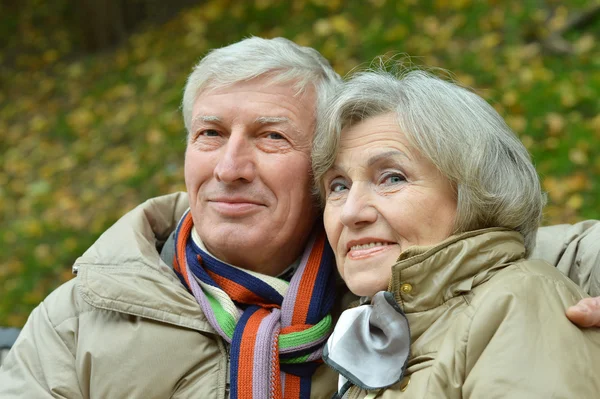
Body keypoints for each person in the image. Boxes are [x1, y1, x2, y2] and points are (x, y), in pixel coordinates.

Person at [0, 37, 599, 398]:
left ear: (314, 174)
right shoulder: (79, 317)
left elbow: (506, 258)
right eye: (209, 134)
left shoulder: (392, 269)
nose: (230, 166)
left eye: (271, 137)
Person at [312, 68, 600, 398]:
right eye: (338, 186)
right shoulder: (350, 326)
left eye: (392, 178)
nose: (350, 212)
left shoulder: (517, 300)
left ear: (474, 193)